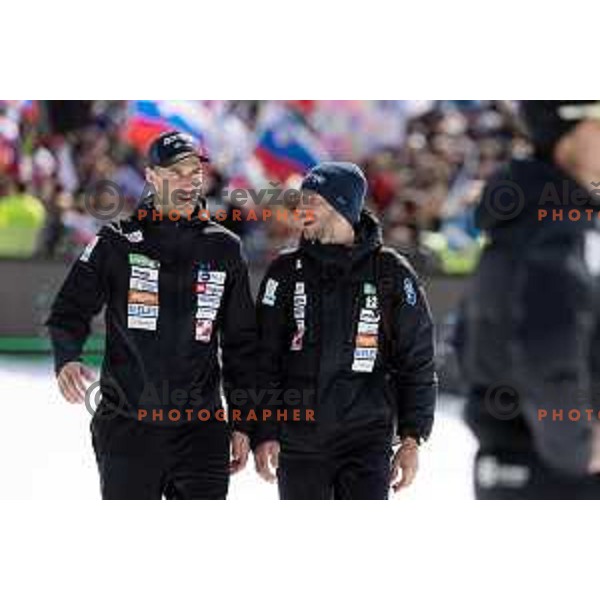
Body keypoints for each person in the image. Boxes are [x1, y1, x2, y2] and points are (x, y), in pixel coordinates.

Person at [46, 131, 256, 499]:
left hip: (201, 432)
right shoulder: (116, 242)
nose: (189, 181)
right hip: (128, 429)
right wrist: (67, 359)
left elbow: (241, 344)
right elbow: (69, 311)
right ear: (152, 177)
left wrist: (243, 421)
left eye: (195, 171)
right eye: (176, 171)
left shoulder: (225, 248)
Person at [252, 162, 437, 499]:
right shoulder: (283, 271)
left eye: (313, 201)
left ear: (342, 205)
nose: (302, 209)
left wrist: (412, 439)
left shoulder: (391, 272)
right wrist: (263, 430)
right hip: (299, 444)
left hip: (367, 445)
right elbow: (263, 359)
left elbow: (418, 361)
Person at [459, 101, 600, 499]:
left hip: (521, 468)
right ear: (566, 138)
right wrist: (574, 445)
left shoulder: (529, 218)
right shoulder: (559, 227)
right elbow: (548, 346)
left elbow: (468, 339)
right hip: (556, 476)